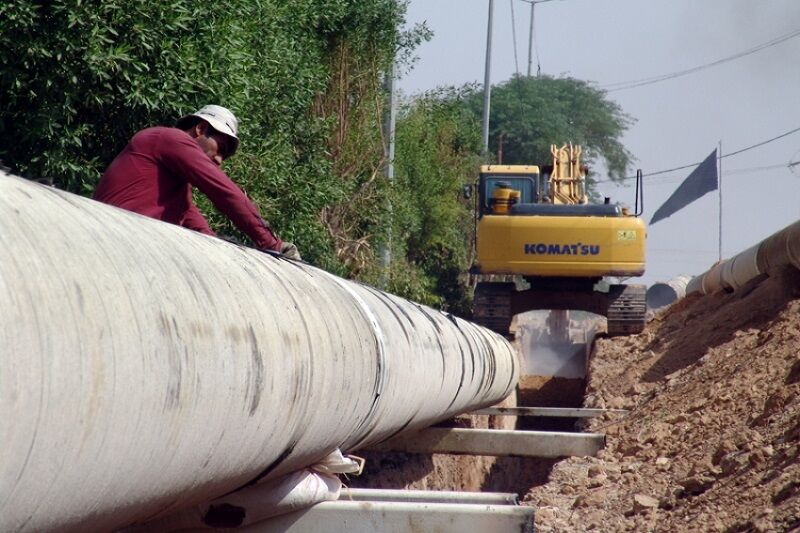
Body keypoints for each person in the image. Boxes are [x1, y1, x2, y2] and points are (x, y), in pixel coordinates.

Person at [94, 105, 300, 260]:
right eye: (221, 147)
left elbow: (195, 223)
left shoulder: (177, 190)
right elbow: (223, 192)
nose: (219, 159)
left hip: (127, 242)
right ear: (201, 129)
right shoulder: (169, 138)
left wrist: (218, 245)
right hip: (116, 238)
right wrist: (272, 243)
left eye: (225, 156)